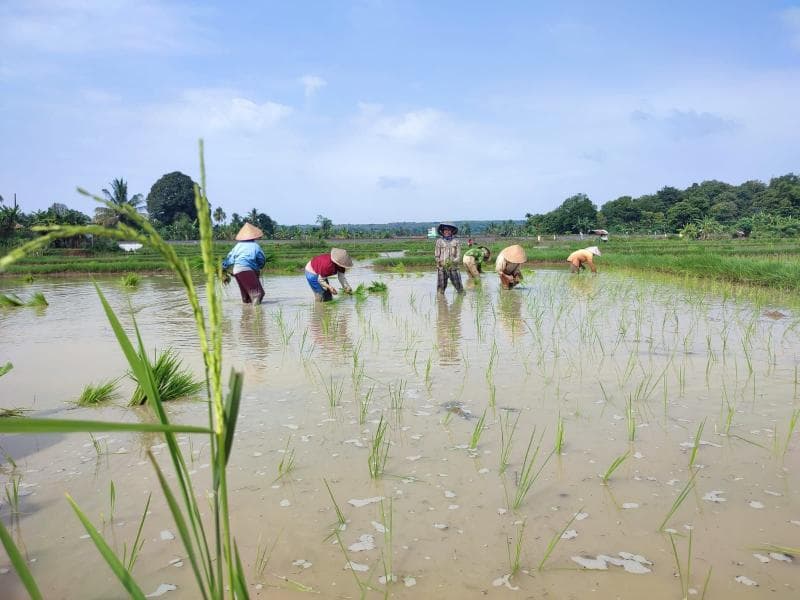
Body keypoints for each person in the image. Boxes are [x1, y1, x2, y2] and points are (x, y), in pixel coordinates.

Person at [222, 223, 267, 304]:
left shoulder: (237, 246)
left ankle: (246, 314)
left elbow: (229, 259)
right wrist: (259, 267)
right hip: (247, 270)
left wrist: (223, 267)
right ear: (253, 236)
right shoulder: (255, 246)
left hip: (237, 271)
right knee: (258, 294)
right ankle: (257, 314)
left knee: (246, 298)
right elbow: (262, 259)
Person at [434, 222, 464, 294]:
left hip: (453, 267)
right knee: (440, 289)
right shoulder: (439, 241)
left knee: (459, 287)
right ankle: (441, 302)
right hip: (442, 268)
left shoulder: (456, 241)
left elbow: (458, 256)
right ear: (443, 231)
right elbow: (436, 255)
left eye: (448, 230)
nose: (447, 232)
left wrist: (453, 261)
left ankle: (460, 301)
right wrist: (440, 262)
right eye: (445, 230)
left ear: (452, 231)